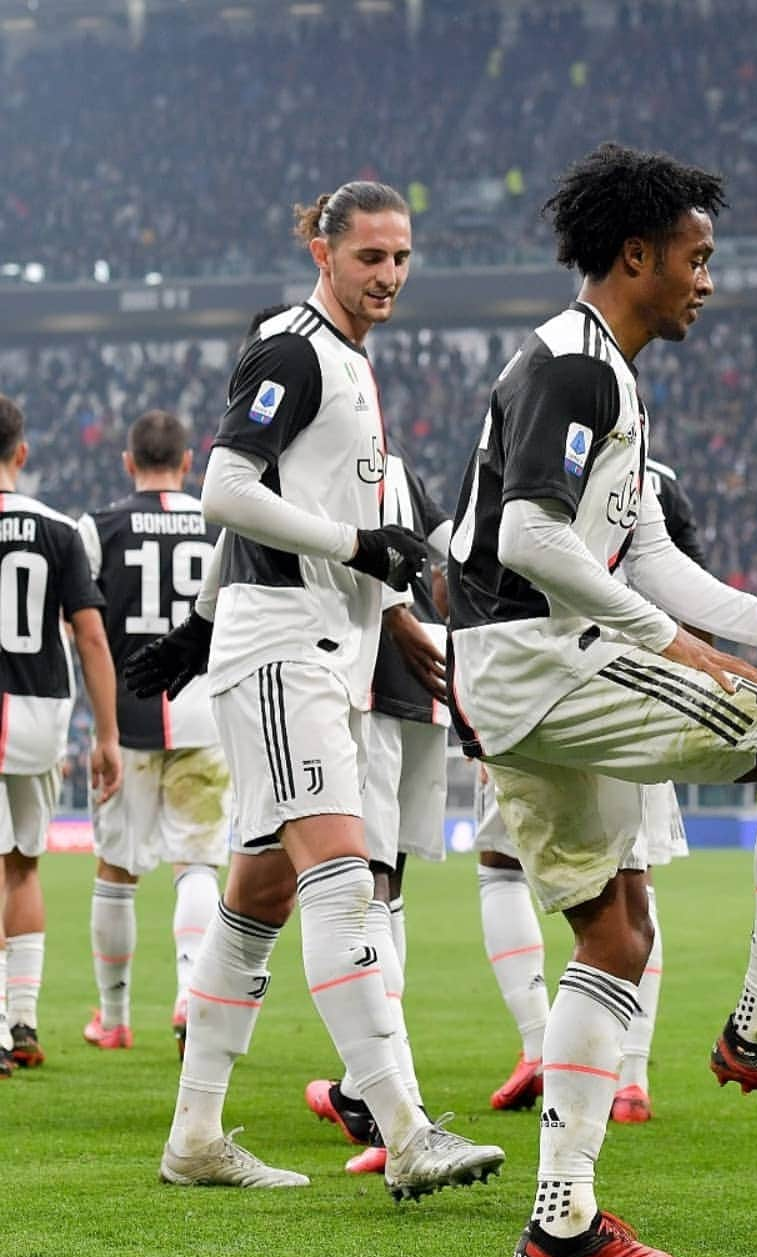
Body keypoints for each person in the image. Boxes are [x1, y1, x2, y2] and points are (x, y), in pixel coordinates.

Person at [447, 143, 757, 1257]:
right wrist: (681, 649)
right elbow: (528, 538)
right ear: (635, 254)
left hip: (516, 665)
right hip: (543, 656)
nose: (707, 280)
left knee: (614, 934)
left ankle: (561, 1221)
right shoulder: (575, 368)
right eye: (696, 258)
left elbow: (639, 548)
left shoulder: (605, 371)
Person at [126, 180, 503, 1196]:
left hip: (317, 650)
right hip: (284, 650)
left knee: (258, 894)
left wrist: (211, 624)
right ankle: (407, 1129)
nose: (388, 275)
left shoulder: (349, 365)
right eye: (370, 256)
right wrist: (351, 544)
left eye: (401, 258)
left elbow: (277, 512)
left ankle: (196, 1136)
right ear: (323, 253)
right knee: (344, 874)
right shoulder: (292, 350)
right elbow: (224, 490)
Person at [481, 456, 699, 1124]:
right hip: (646, 687)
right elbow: (688, 593)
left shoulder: (527, 462)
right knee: (639, 880)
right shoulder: (658, 479)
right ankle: (630, 1077)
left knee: (500, 865)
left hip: (546, 683)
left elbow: (481, 578)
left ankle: (538, 1046)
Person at [305, 449, 454, 1176]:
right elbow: (454, 550)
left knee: (359, 888)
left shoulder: (315, 459)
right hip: (431, 674)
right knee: (385, 887)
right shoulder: (401, 469)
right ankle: (361, 1084)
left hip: (362, 676)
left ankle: (389, 1101)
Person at [76, 410, 229, 1056]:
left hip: (129, 715)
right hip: (205, 712)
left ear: (127, 461)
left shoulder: (99, 527)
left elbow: (77, 626)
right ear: (189, 463)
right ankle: (192, 993)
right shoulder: (220, 522)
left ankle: (114, 1018)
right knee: (196, 861)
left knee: (117, 870)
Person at [0, 394, 122, 1075]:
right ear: (22, 454)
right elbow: (92, 638)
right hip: (41, 713)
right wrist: (105, 735)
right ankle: (22, 1018)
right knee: (22, 863)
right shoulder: (57, 529)